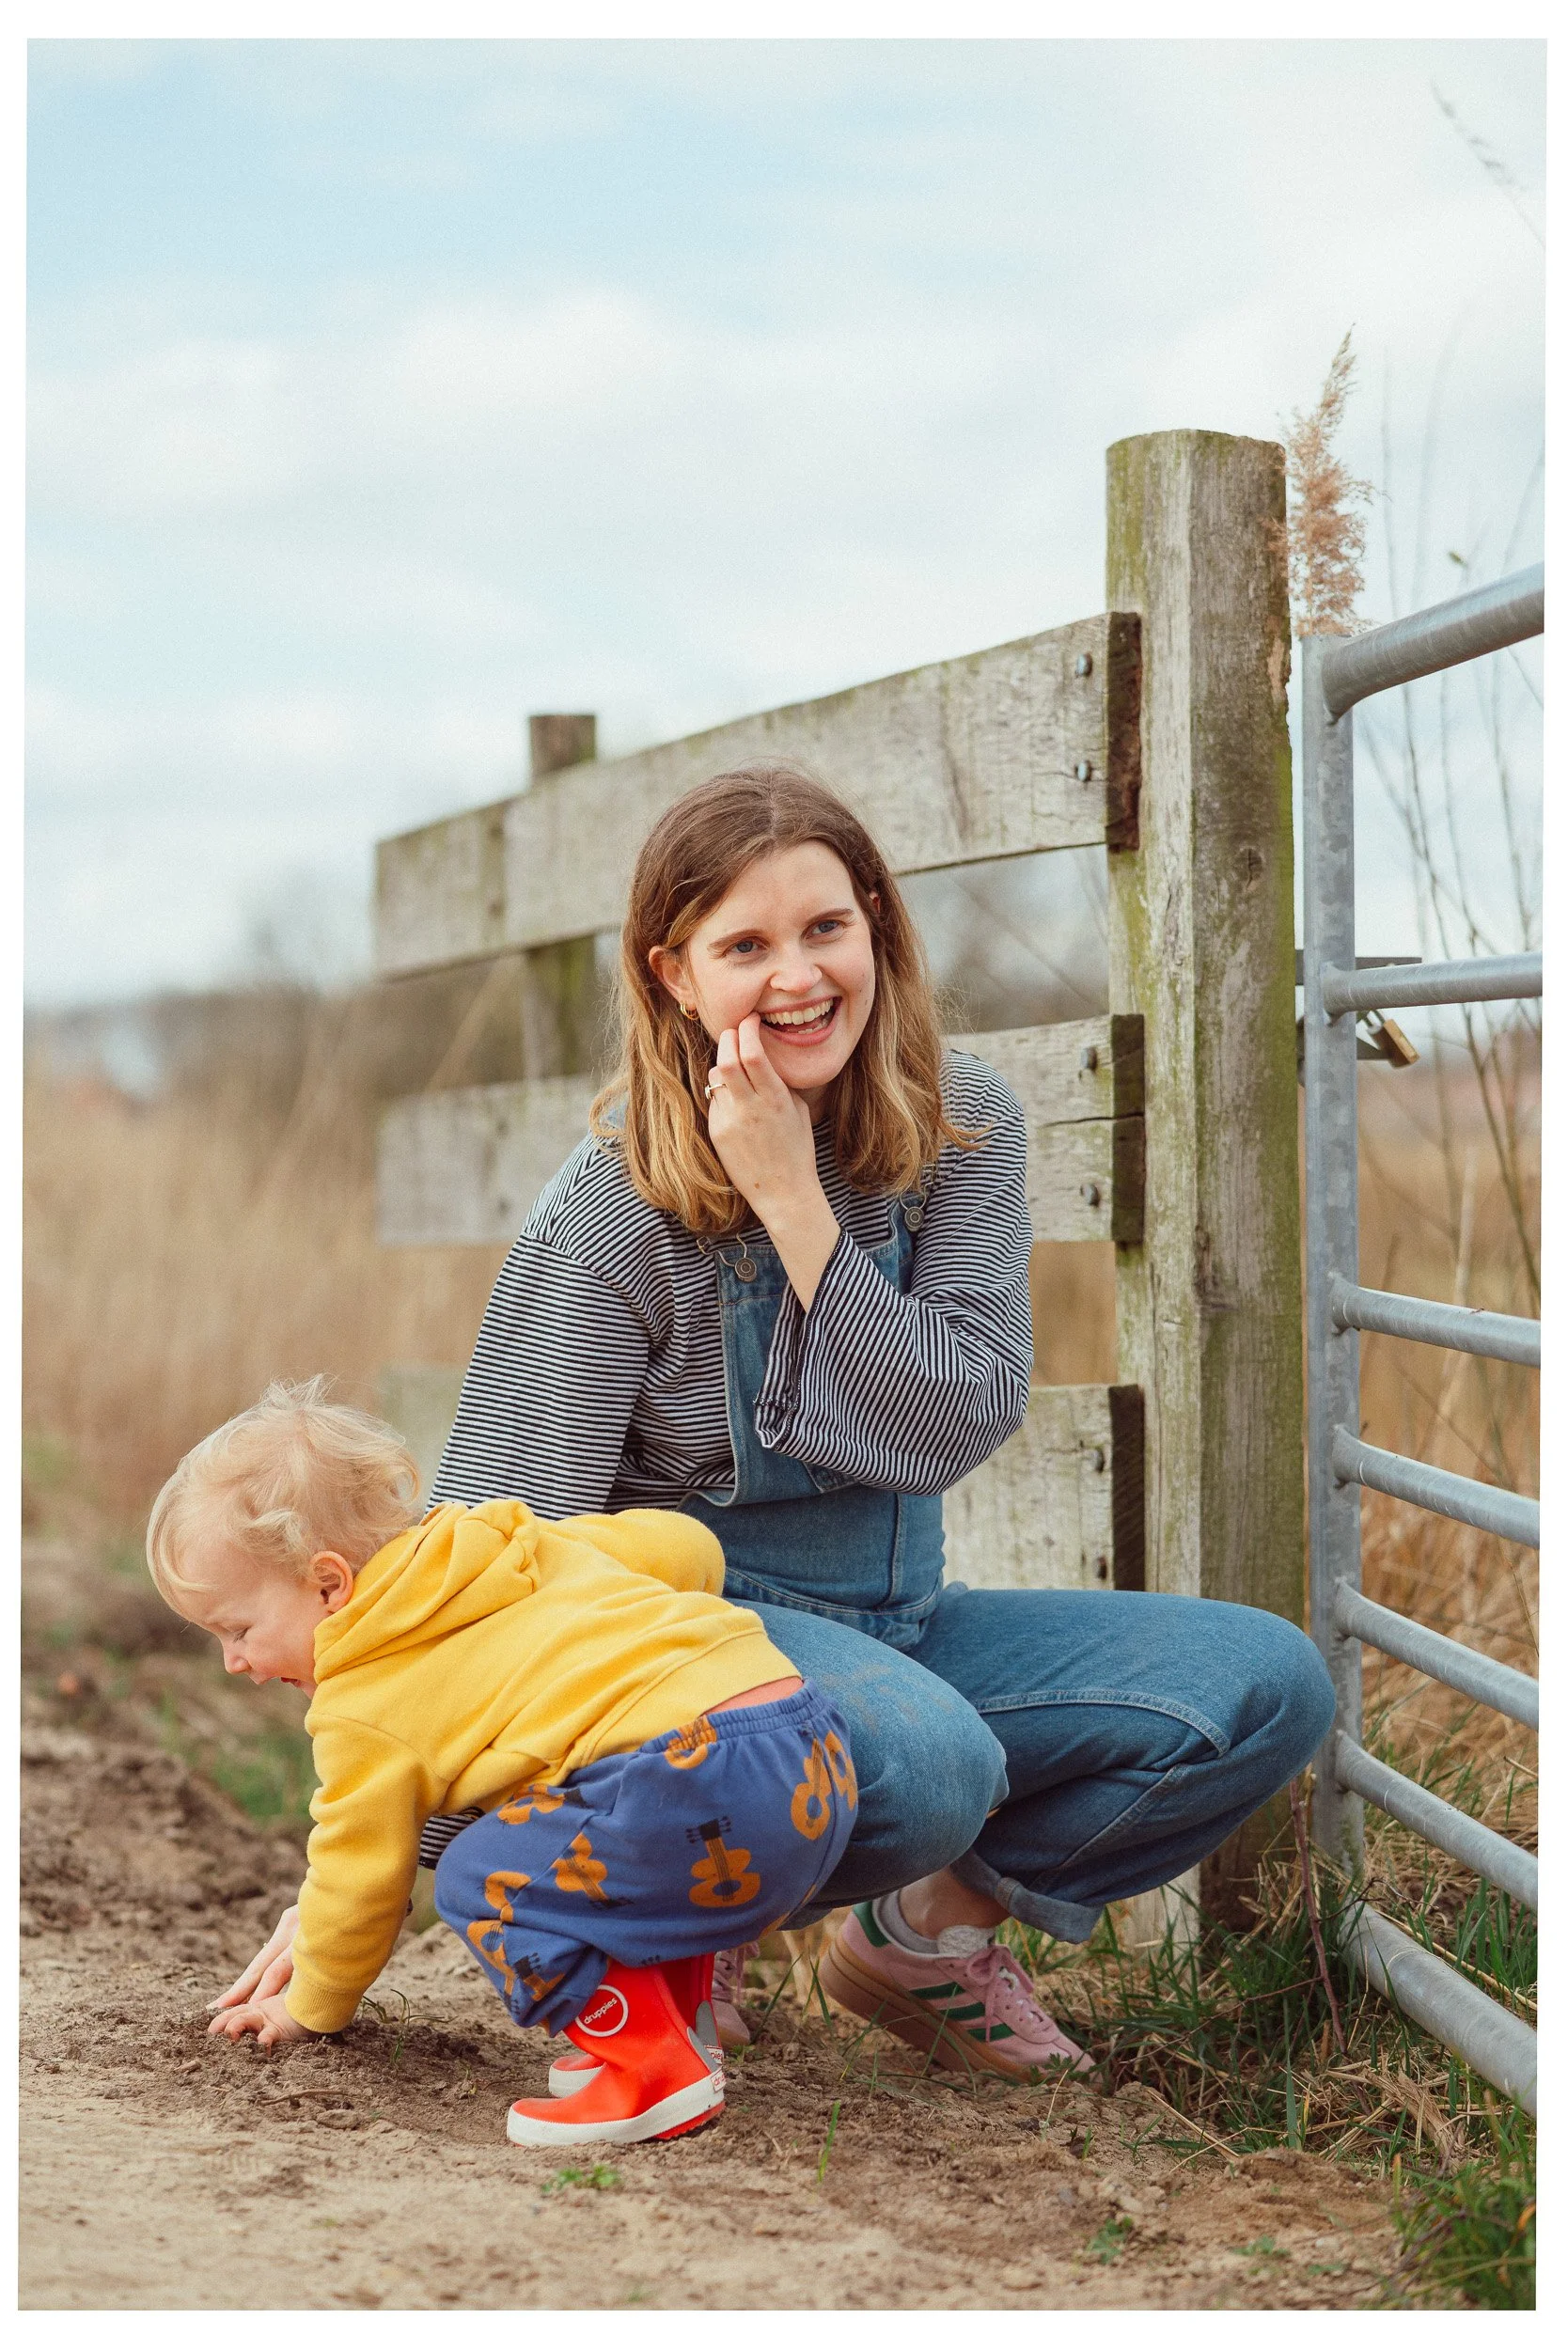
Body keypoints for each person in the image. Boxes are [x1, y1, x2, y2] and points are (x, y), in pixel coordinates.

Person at [422, 760, 1337, 2091]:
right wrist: (397, 1850)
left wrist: (799, 1209)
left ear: (877, 928)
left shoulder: (964, 1133)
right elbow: (498, 1532)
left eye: (826, 928)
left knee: (1259, 1689)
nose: (798, 977)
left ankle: (921, 1945)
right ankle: (676, 1911)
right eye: (746, 946)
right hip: (679, 1671)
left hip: (897, 1634)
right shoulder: (613, 1207)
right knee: (928, 1760)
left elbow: (952, 1421)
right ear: (675, 976)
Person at [147, 1378, 856, 2147]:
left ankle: (652, 2071)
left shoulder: (362, 1700)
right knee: (603, 1852)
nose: (233, 1662)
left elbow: (360, 1879)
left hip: (700, 1775)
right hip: (811, 1749)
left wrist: (307, 2005)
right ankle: (675, 2030)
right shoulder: (502, 1541)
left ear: (328, 1584)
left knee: (482, 1873)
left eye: (239, 1629)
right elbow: (685, 1547)